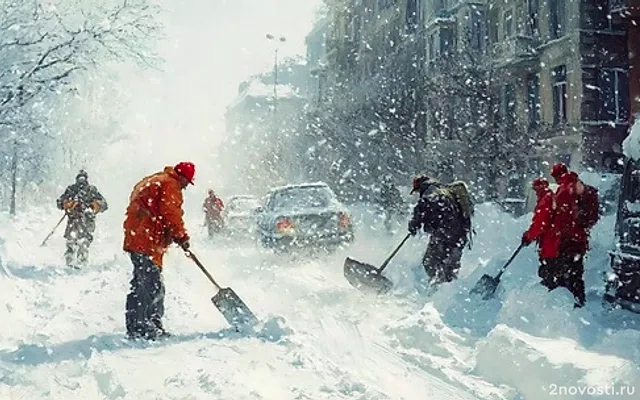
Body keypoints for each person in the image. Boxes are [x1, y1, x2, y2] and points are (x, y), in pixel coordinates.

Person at [123, 161, 194, 340]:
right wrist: (181, 236)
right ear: (184, 178)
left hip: (140, 238)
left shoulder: (155, 179)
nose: (185, 187)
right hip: (146, 241)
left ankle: (145, 324)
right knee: (150, 285)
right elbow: (170, 213)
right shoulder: (170, 185)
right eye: (187, 183)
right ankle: (143, 327)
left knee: (145, 284)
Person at [408, 174, 468, 284]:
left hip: (443, 234)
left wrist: (414, 224)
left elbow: (422, 206)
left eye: (417, 191)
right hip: (459, 236)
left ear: (420, 186)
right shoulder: (447, 191)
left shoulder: (430, 192)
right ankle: (450, 293)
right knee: (450, 268)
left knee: (429, 262)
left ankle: (437, 288)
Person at [546, 162, 587, 307]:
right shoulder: (578, 185)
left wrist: (558, 234)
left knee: (566, 274)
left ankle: (572, 305)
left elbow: (563, 218)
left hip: (567, 239)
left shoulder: (564, 190)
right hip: (579, 239)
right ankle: (579, 301)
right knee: (576, 273)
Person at [56, 169, 108, 268]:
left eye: (83, 178)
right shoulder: (71, 190)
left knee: (84, 242)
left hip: (87, 220)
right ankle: (70, 262)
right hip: (74, 220)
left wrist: (93, 207)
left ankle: (81, 262)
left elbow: (104, 204)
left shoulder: (92, 190)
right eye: (80, 178)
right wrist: (68, 204)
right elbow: (60, 202)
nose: (81, 180)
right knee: (71, 242)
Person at [521, 177, 563, 289]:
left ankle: (548, 295)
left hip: (550, 243)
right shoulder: (550, 198)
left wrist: (529, 236)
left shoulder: (546, 200)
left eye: (535, 189)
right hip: (554, 242)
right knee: (552, 271)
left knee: (548, 272)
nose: (535, 192)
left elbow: (540, 223)